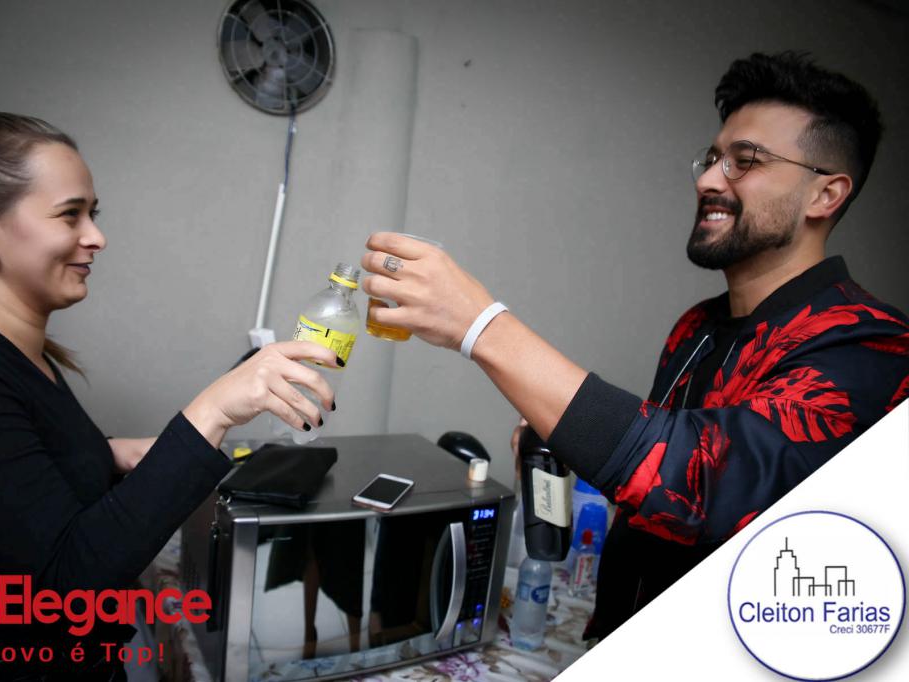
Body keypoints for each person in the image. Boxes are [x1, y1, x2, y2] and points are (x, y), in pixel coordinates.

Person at [360, 52, 909, 639]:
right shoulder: (696, 327)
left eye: (745, 161)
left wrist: (481, 325)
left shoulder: (871, 344)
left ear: (825, 195)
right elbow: (653, 478)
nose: (708, 180)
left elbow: (700, 483)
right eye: (713, 158)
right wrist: (569, 440)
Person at [0, 111, 342, 680]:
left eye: (93, 214)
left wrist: (108, 453)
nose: (96, 237)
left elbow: (15, 473)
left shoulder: (23, 357)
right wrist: (211, 412)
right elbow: (69, 582)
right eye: (69, 214)